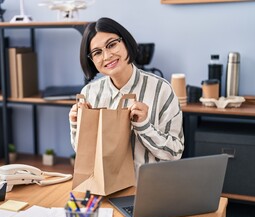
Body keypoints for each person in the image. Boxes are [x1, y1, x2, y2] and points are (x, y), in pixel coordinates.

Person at [69, 17, 184, 170]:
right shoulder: (89, 93)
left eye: (111, 45)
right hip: (105, 188)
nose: (107, 56)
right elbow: (83, 152)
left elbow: (175, 152)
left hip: (148, 188)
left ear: (125, 42)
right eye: (97, 52)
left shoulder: (161, 89)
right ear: (91, 60)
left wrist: (144, 126)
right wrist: (76, 124)